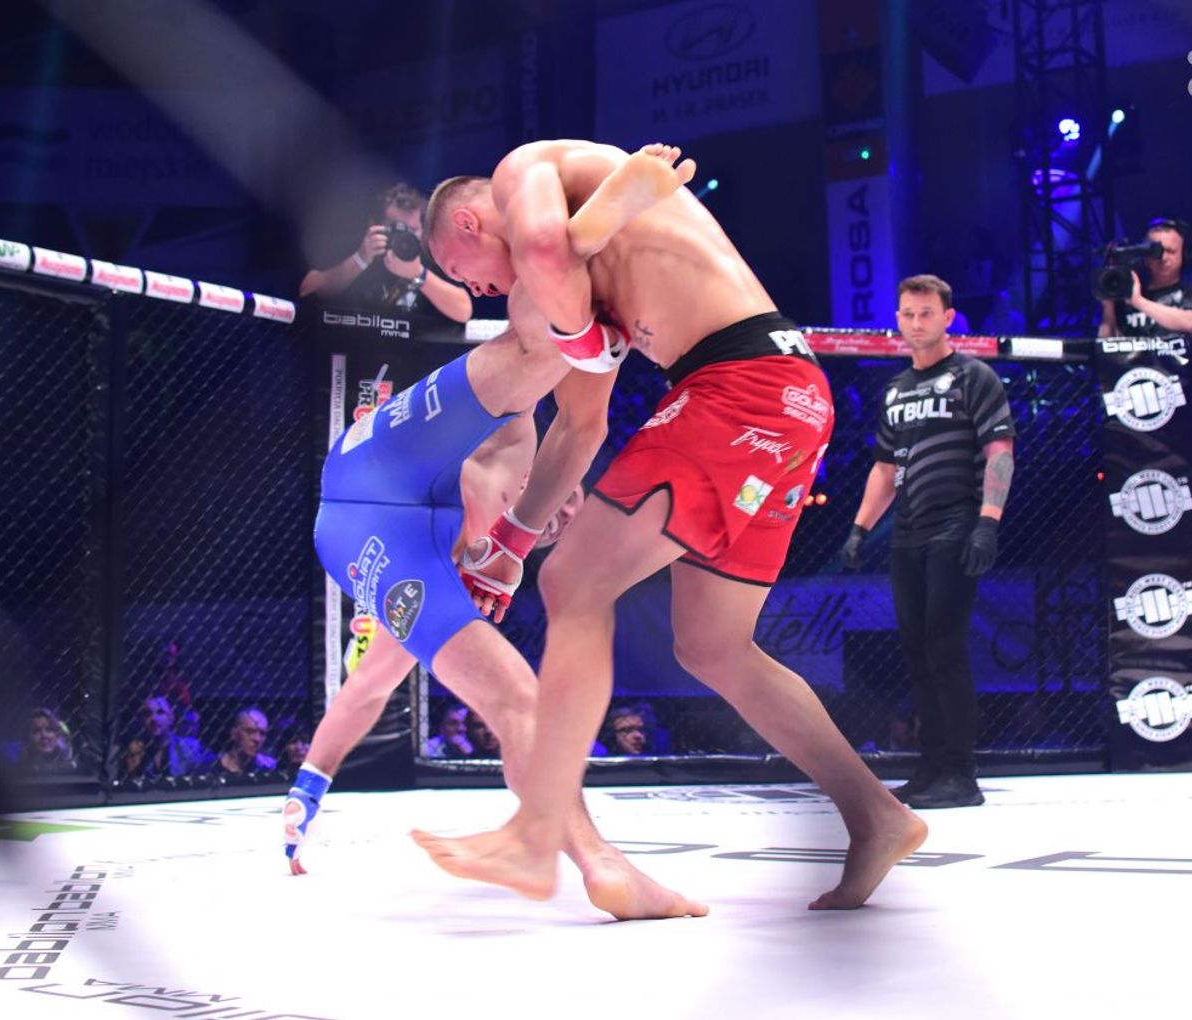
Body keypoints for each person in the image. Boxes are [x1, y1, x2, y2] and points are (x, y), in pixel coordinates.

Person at [411, 139, 926, 912]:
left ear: (466, 221)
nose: (477, 290)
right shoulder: (577, 279)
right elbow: (580, 428)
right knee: (713, 645)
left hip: (741, 387)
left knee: (575, 580)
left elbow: (544, 246)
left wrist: (580, 330)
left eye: (462, 271)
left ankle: (537, 828)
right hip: (785, 397)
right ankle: (877, 814)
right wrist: (512, 543)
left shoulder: (524, 172)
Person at [285, 142, 707, 921]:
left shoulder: (485, 506)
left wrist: (308, 786)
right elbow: (367, 687)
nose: (473, 287)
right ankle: (592, 229)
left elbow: (585, 430)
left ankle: (599, 864)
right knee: (531, 340)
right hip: (365, 488)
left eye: (463, 272)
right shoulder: (515, 395)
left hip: (401, 508)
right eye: (461, 274)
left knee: (520, 698)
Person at [837, 274, 1016, 809]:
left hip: (956, 523)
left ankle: (961, 773)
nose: (916, 323)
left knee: (944, 648)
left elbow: (1000, 451)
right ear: (898, 319)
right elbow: (884, 468)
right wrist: (860, 527)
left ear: (948, 317)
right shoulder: (896, 389)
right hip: (908, 531)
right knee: (917, 651)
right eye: (908, 314)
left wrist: (988, 522)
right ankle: (932, 766)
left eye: (926, 313)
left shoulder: (973, 376)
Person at [298, 182, 473, 324]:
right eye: (398, 228)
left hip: (408, 351)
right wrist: (359, 260)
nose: (406, 236)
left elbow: (464, 310)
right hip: (348, 343)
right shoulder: (359, 245)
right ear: (374, 225)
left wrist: (419, 275)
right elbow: (307, 290)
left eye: (413, 229)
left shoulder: (426, 255)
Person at [1098, 217, 1192, 338]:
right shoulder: (1127, 292)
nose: (1163, 258)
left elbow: (1190, 323)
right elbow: (1105, 343)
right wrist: (1108, 306)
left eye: (1170, 251)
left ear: (1183, 254)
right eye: (1155, 251)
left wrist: (1139, 302)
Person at [120, 695, 211, 780]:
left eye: (160, 712)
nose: (154, 718)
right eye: (147, 714)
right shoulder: (136, 750)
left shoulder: (190, 746)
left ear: (171, 718)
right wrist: (133, 772)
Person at [217, 706, 276, 774]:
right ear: (234, 733)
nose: (257, 739)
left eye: (262, 733)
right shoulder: (211, 771)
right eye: (250, 731)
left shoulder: (267, 771)